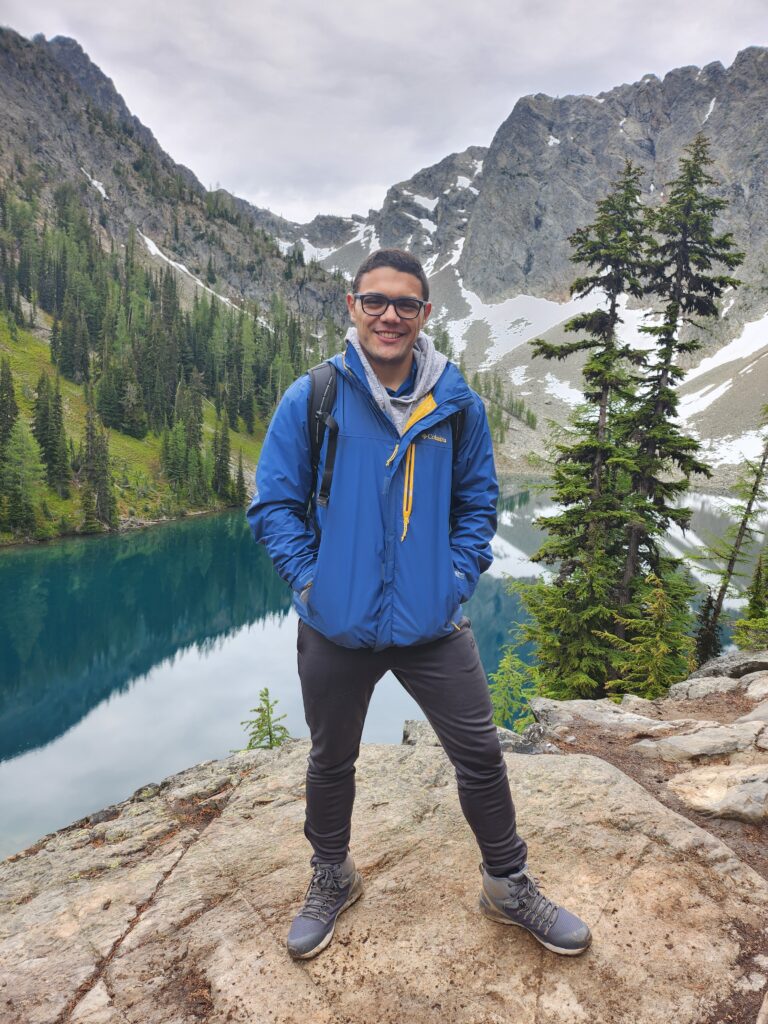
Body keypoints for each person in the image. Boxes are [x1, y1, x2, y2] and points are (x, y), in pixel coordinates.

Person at [247, 248, 591, 960]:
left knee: (481, 755)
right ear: (353, 306)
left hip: (432, 622)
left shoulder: (457, 404)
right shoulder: (314, 396)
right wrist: (312, 584)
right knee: (330, 759)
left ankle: (507, 884)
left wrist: (452, 579)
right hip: (335, 621)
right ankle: (331, 875)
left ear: (425, 314)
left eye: (406, 304)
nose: (390, 316)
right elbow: (274, 504)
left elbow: (478, 505)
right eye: (375, 301)